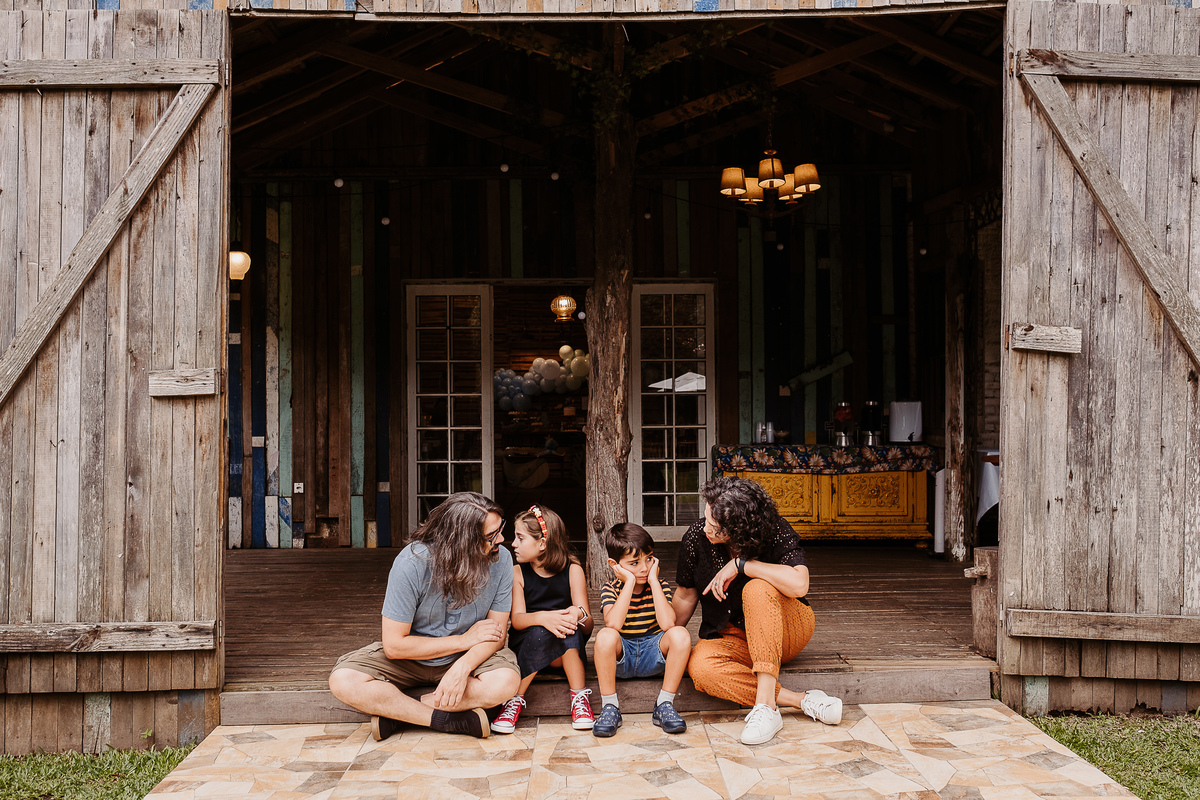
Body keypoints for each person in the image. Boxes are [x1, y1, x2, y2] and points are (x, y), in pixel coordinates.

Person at [328, 492, 520, 741]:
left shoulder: (501, 560)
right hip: (412, 656)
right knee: (344, 680)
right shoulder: (411, 563)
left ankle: (398, 713)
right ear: (462, 540)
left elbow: (496, 634)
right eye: (491, 536)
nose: (501, 539)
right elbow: (394, 646)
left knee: (505, 682)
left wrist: (462, 667)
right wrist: (463, 640)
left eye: (500, 529)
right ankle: (445, 720)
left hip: (469, 655)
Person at [672, 477, 843, 745]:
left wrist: (742, 566)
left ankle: (765, 707)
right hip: (733, 636)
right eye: (706, 517)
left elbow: (799, 584)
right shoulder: (697, 536)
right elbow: (685, 594)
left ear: (737, 530)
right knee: (701, 667)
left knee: (757, 588)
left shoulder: (774, 530)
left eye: (714, 527)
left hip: (786, 630)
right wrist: (663, 637)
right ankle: (801, 701)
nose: (705, 528)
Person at [491, 504, 595, 734]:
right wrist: (544, 618)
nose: (514, 544)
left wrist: (578, 613)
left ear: (542, 543)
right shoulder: (518, 573)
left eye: (520, 538)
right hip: (528, 645)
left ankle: (579, 699)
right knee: (540, 632)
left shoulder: (573, 570)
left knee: (569, 628)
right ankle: (514, 700)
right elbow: (517, 620)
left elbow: (588, 625)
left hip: (563, 654)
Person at [591, 523, 692, 738]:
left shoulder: (659, 585)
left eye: (649, 559)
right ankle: (610, 707)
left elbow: (668, 624)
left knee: (680, 634)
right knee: (605, 636)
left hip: (653, 653)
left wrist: (654, 581)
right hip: (623, 657)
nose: (644, 568)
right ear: (615, 565)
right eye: (634, 563)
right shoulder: (610, 588)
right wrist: (629, 582)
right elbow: (613, 624)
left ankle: (664, 704)